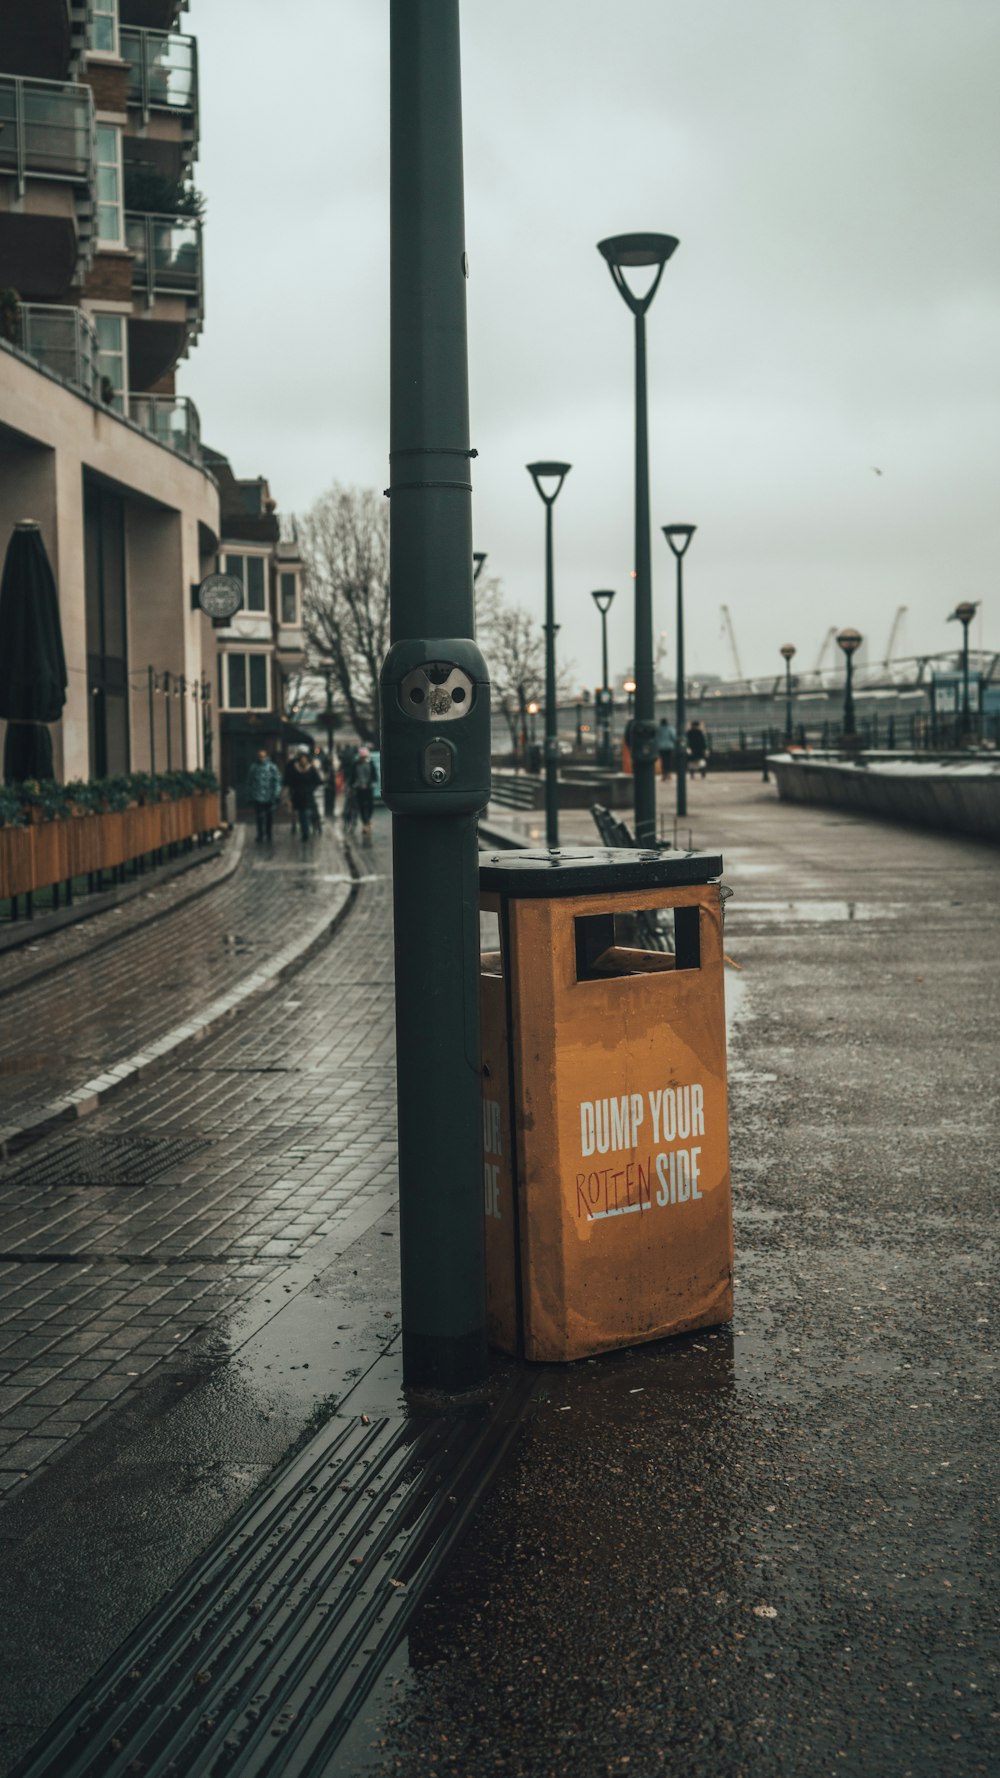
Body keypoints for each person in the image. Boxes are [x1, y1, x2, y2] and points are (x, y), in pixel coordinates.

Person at [284, 744, 322, 840]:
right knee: (302, 813)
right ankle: (304, 830)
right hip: (298, 794)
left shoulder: (311, 767)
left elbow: (317, 780)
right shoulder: (293, 766)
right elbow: (288, 780)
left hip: (308, 794)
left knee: (307, 812)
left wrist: (311, 788)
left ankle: (307, 827)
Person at [246, 748, 282, 842]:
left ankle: (269, 833)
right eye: (260, 756)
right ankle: (260, 834)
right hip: (258, 795)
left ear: (266, 756)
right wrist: (251, 793)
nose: (261, 758)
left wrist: (276, 793)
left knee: (269, 816)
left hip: (269, 796)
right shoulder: (254, 767)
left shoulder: (272, 767)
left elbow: (277, 781)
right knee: (259, 816)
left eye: (263, 756)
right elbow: (250, 781)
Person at [353, 745, 376, 837]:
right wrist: (355, 785)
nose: (363, 758)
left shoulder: (370, 764)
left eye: (365, 756)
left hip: (369, 788)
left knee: (370, 805)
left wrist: (369, 784)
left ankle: (368, 820)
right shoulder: (355, 764)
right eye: (362, 757)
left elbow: (374, 776)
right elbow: (352, 776)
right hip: (359, 788)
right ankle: (365, 823)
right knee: (361, 806)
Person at [656, 715, 677, 781]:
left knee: (663, 761)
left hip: (661, 747)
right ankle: (669, 774)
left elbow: (656, 738)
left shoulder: (658, 729)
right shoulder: (670, 728)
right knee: (669, 761)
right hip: (669, 747)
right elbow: (674, 737)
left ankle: (664, 775)